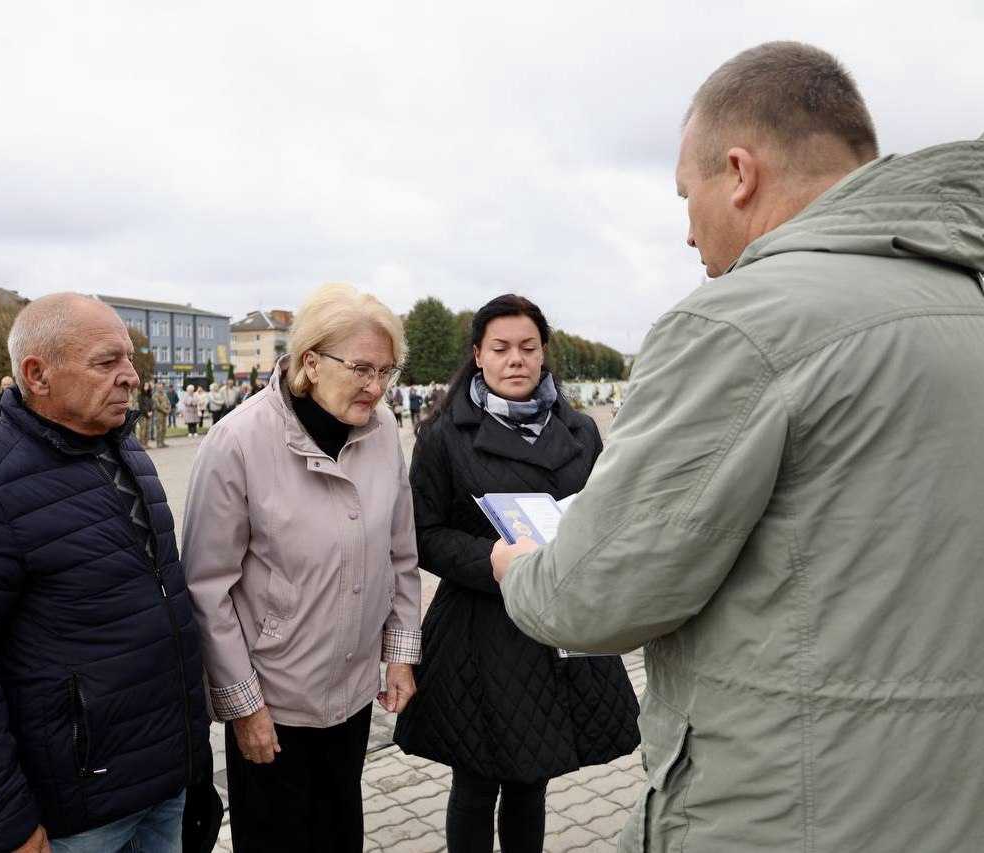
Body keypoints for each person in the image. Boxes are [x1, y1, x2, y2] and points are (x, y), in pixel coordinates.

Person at [495, 42, 984, 853]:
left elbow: (591, 596)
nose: (688, 231)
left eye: (686, 196)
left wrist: (523, 571)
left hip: (781, 805)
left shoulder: (738, 324)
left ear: (738, 173)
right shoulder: (965, 301)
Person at [0, 293, 212, 853]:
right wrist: (6, 825)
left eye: (129, 360)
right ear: (37, 374)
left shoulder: (127, 453)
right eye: (106, 362)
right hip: (81, 811)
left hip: (166, 781)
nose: (131, 377)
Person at [393, 295, 639, 853]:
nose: (515, 360)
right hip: (480, 628)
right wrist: (492, 561)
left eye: (528, 348)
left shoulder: (580, 432)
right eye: (500, 348)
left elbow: (603, 514)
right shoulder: (444, 435)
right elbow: (422, 533)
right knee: (476, 780)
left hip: (555, 628)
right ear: (478, 355)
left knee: (534, 777)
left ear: (544, 353)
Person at [183, 283, 422, 852]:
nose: (377, 386)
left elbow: (401, 551)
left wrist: (400, 654)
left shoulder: (382, 430)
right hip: (275, 703)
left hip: (353, 690)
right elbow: (207, 589)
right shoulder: (237, 441)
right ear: (310, 362)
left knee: (341, 833)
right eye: (362, 368)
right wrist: (245, 707)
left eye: (387, 371)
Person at [152, 382, 172, 448]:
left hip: (164, 414)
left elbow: (168, 402)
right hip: (159, 414)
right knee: (159, 429)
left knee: (164, 428)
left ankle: (163, 442)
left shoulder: (164, 394)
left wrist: (169, 409)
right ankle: (159, 443)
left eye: (161, 387)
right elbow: (157, 405)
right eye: (159, 387)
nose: (161, 388)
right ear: (157, 388)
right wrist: (165, 411)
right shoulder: (155, 395)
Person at [137, 381, 154, 447]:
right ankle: (142, 444)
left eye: (148, 386)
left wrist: (151, 411)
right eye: (145, 386)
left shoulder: (149, 395)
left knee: (147, 429)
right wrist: (147, 413)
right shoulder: (140, 396)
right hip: (143, 415)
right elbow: (141, 406)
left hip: (149, 415)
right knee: (143, 430)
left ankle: (146, 443)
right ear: (143, 387)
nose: (146, 387)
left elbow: (151, 404)